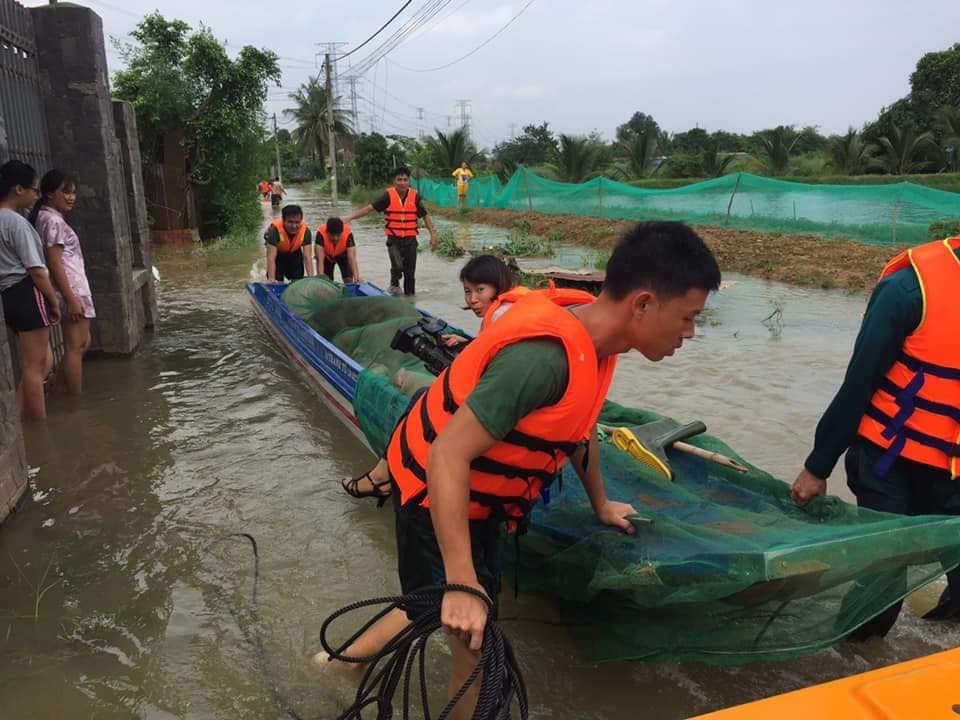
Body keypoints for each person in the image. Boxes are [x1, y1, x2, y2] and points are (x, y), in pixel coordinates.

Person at [326, 222, 721, 717]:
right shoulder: (543, 359)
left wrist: (599, 503)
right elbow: (447, 454)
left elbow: (578, 426)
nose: (689, 333)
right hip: (437, 491)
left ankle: (339, 664)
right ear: (643, 304)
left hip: (479, 498)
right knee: (473, 647)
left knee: (429, 609)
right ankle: (350, 669)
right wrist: (461, 581)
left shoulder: (596, 341)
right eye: (688, 318)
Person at [791, 234, 960, 636]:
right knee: (882, 594)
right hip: (889, 463)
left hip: (953, 474)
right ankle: (850, 661)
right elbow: (859, 383)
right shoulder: (910, 287)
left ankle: (927, 659)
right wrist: (817, 466)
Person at [341, 254, 518, 504]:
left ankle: (381, 476)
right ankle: (382, 475)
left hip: (500, 411)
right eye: (468, 291)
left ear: (498, 286)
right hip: (505, 403)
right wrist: (469, 343)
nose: (473, 299)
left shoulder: (500, 317)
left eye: (480, 290)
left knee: (422, 399)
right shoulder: (509, 311)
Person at [0, 160, 61, 420]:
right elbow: (36, 269)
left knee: (43, 361)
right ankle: (39, 430)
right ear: (18, 189)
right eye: (34, 190)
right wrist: (54, 301)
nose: (36, 196)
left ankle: (17, 414)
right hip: (26, 292)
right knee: (35, 369)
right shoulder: (15, 223)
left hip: (8, 296)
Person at [31, 170, 95, 395]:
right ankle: (75, 402)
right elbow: (55, 263)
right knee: (74, 347)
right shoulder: (53, 221)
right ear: (49, 193)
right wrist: (71, 299)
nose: (71, 197)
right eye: (65, 192)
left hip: (74, 288)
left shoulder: (48, 218)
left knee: (83, 342)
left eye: (73, 193)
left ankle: (59, 388)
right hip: (71, 290)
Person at [343, 166, 438, 296]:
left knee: (410, 275)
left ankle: (410, 300)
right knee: (398, 266)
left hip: (410, 240)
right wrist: (350, 217)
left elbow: (425, 215)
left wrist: (433, 234)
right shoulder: (387, 196)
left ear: (409, 181)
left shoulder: (415, 197)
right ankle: (394, 285)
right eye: (399, 180)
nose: (403, 183)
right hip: (394, 240)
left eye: (405, 180)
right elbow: (369, 209)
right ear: (394, 181)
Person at [264, 205, 314, 282]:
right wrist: (271, 279)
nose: (294, 226)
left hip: (295, 255)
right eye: (290, 222)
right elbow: (271, 258)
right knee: (277, 281)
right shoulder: (275, 231)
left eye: (297, 222)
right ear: (284, 221)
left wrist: (311, 279)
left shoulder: (306, 232)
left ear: (301, 220)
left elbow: (307, 257)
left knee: (297, 282)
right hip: (278, 256)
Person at [315, 217, 360, 283]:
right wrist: (321, 280)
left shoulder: (348, 233)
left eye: (338, 235)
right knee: (326, 281)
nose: (335, 238)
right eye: (332, 235)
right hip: (327, 257)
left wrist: (357, 278)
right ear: (327, 232)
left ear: (342, 232)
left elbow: (352, 258)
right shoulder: (320, 234)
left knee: (349, 280)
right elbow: (320, 260)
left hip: (343, 255)